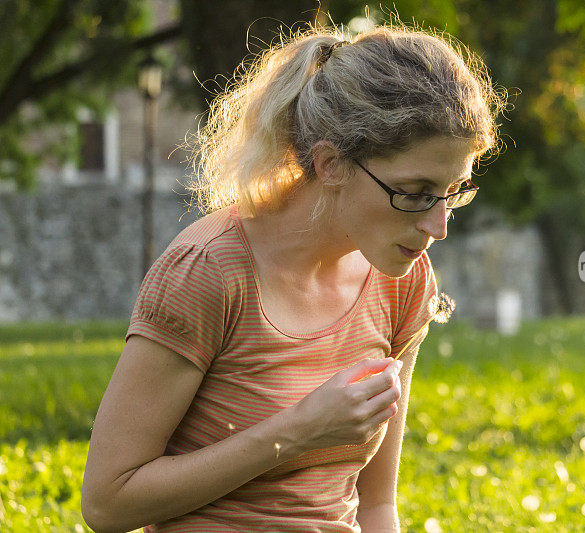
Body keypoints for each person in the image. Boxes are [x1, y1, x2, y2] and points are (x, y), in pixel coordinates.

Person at [81, 20, 504, 533]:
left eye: (454, 190)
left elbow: (375, 507)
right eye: (413, 191)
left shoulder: (402, 277)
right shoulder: (209, 271)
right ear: (330, 164)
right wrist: (298, 431)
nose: (438, 226)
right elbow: (108, 502)